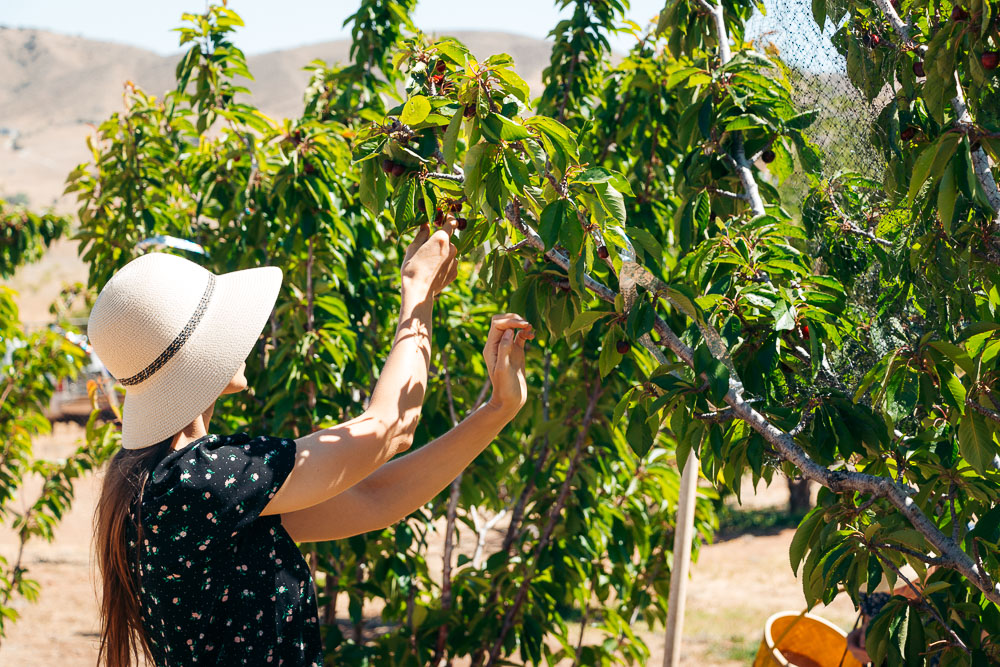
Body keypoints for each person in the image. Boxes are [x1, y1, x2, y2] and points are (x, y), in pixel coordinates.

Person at [89, 215, 534, 666]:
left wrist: (498, 410)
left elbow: (374, 496)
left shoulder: (169, 483)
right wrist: (417, 290)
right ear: (199, 352)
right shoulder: (203, 478)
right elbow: (389, 428)